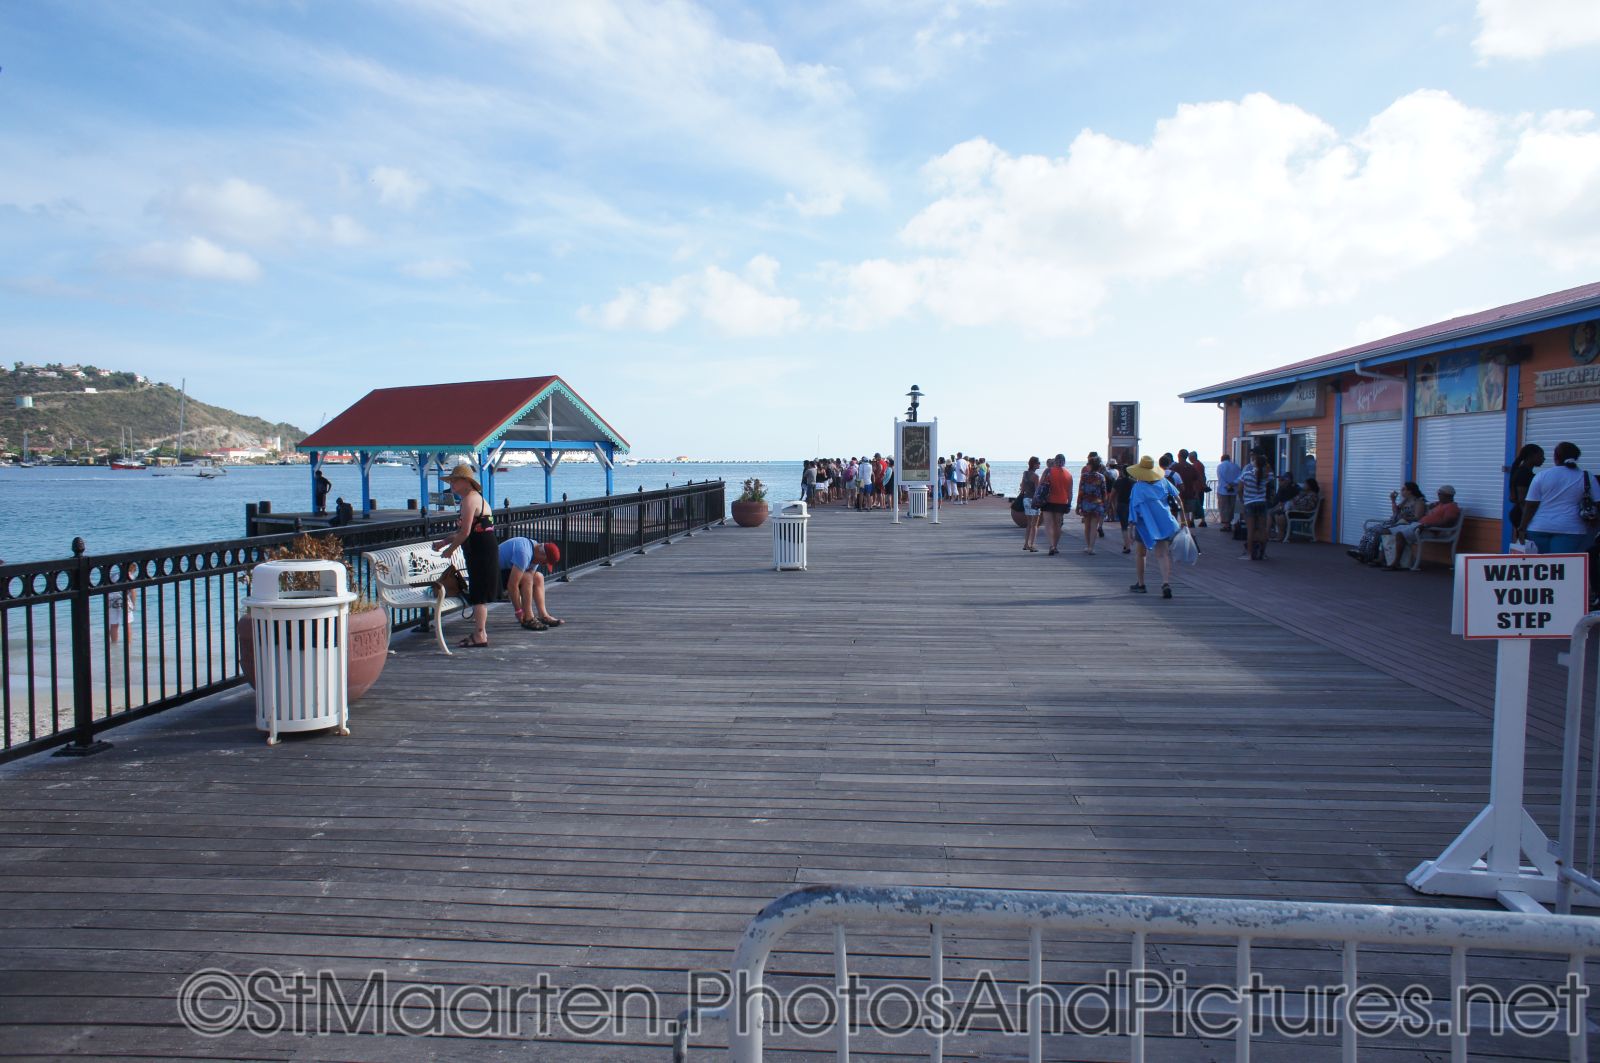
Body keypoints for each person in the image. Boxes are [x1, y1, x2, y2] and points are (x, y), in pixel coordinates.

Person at [432, 463, 497, 649]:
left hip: (481, 550)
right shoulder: (475, 498)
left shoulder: (469, 500)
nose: (451, 484)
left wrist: (450, 549)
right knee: (478, 592)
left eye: (454, 480)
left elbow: (465, 532)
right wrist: (445, 542)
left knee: (478, 593)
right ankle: (480, 632)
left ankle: (480, 634)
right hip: (481, 547)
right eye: (451, 480)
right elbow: (467, 531)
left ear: (466, 482)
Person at [1518, 442, 1596, 554]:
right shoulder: (1586, 477)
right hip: (1571, 529)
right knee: (1562, 568)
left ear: (1555, 457)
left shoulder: (1542, 476)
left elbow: (1530, 505)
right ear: (1576, 457)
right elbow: (1598, 502)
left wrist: (1522, 527)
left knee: (1540, 567)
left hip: (1539, 527)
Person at [1124, 455, 1182, 598]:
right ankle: (1165, 582)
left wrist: (1130, 528)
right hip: (1163, 521)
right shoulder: (1163, 482)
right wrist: (1184, 520)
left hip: (1144, 524)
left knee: (1141, 553)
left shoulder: (1138, 487)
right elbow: (1178, 498)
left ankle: (1141, 583)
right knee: (1162, 554)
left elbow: (1134, 509)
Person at [1381, 485, 1461, 569]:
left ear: (1448, 495)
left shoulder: (1452, 507)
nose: (1438, 495)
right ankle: (1383, 560)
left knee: (1400, 535)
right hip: (1419, 525)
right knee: (1386, 531)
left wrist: (1427, 525)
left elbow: (1447, 523)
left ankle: (1396, 563)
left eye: (1440, 493)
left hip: (1431, 530)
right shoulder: (1440, 504)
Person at [1349, 482, 1426, 564]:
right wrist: (1393, 501)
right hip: (1395, 521)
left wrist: (1405, 517)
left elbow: (1418, 517)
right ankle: (1362, 550)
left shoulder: (1418, 502)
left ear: (1410, 491)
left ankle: (1370, 555)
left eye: (1403, 489)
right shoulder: (1405, 501)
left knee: (1378, 531)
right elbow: (1395, 513)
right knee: (1371, 530)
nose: (1401, 491)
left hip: (1405, 524)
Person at [499, 536, 564, 631]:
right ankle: (529, 618)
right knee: (527, 578)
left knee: (538, 577)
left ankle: (543, 615)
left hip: (506, 571)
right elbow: (512, 585)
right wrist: (518, 611)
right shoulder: (524, 553)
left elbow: (528, 582)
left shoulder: (536, 550)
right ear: (543, 555)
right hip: (491, 574)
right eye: (544, 563)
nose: (544, 565)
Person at [1238, 451, 1272, 561]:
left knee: (1250, 530)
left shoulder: (1246, 474)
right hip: (1262, 502)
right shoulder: (1267, 475)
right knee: (1263, 529)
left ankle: (1249, 554)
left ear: (1255, 463)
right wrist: (1265, 464)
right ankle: (1263, 553)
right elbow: (1269, 473)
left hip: (1249, 503)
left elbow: (1240, 489)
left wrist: (1243, 500)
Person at [1037, 453, 1073, 555]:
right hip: (1061, 502)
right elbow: (1070, 492)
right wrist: (1069, 504)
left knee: (1048, 525)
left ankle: (1051, 545)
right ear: (1064, 462)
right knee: (1058, 525)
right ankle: (1055, 546)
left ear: (1055, 461)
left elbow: (1040, 485)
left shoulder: (1048, 471)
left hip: (1047, 501)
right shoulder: (1069, 475)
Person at [1508, 443, 1546, 532]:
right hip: (1521, 515)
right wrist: (1525, 522)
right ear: (1531, 456)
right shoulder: (1523, 474)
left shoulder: (1525, 472)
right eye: (1541, 456)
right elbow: (1522, 500)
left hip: (1522, 514)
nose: (1543, 459)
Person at [1077, 455, 1108, 554]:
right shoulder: (1101, 477)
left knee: (1087, 526)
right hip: (1097, 504)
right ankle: (1091, 547)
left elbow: (1081, 491)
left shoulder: (1084, 476)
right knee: (1094, 526)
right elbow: (1104, 492)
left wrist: (1078, 505)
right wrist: (1105, 505)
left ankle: (1087, 546)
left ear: (1090, 465)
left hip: (1086, 503)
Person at [1018, 457, 1042, 552]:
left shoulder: (1025, 473)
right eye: (1038, 463)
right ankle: (1031, 545)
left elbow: (1022, 487)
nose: (1040, 464)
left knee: (1029, 523)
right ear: (1034, 464)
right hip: (1033, 500)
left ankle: (1025, 544)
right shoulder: (1035, 476)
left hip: (1026, 499)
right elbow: (1037, 491)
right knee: (1035, 524)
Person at [1112, 462, 1136, 554]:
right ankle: (1129, 539)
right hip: (1132, 505)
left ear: (1122, 472)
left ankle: (1127, 546)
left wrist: (1111, 505)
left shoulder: (1118, 482)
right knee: (1131, 524)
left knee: (1124, 527)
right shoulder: (1134, 482)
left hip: (1122, 505)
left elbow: (1113, 495)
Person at [1215, 451, 1241, 531]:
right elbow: (1240, 477)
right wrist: (1233, 484)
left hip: (1223, 490)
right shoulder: (1236, 466)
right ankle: (1229, 522)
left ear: (1222, 459)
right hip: (1234, 490)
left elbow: (1221, 478)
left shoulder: (1220, 466)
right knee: (1231, 507)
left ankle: (1226, 525)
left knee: (1224, 507)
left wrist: (1227, 485)